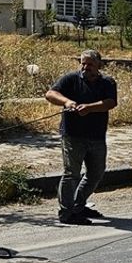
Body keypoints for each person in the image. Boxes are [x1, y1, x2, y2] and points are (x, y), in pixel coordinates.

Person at [45, 49, 119, 225]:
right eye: (83, 63)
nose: (85, 67)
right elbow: (50, 94)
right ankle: (67, 213)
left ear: (99, 65)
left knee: (96, 173)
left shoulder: (107, 82)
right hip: (72, 136)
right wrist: (67, 102)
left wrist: (88, 108)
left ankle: (78, 205)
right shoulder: (71, 79)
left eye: (90, 64)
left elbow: (110, 103)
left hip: (97, 136)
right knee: (71, 174)